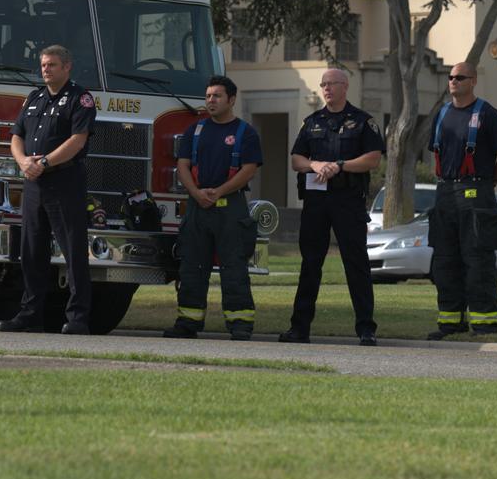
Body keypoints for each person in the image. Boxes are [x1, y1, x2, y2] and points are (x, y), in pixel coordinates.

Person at [280, 68, 383, 346]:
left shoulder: (362, 121)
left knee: (356, 263)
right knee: (310, 264)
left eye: (332, 84)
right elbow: (296, 159)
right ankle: (299, 328)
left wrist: (339, 166)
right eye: (323, 84)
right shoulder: (312, 122)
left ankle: (366, 328)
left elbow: (373, 159)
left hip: (348, 200)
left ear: (345, 86)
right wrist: (314, 164)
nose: (326, 88)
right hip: (316, 202)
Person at [0, 45, 97, 334]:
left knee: (73, 251)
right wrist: (23, 162)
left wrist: (43, 161)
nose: (45, 69)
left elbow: (78, 140)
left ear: (67, 67)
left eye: (52, 65)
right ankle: (30, 315)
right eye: (43, 64)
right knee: (31, 251)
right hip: (33, 184)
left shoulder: (81, 98)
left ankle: (78, 317)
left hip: (64, 182)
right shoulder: (34, 98)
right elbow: (16, 137)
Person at [163, 76, 262, 341]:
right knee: (191, 267)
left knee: (234, 268)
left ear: (231, 100)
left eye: (216, 96)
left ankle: (240, 323)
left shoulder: (246, 133)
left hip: (231, 209)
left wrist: (219, 191)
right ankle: (188, 322)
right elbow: (183, 165)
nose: (210, 101)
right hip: (198, 209)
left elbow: (249, 169)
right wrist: (196, 193)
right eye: (208, 96)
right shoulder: (195, 131)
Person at [426, 62, 497, 340]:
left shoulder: (488, 115)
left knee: (478, 262)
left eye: (460, 77)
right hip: (445, 194)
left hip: (476, 195)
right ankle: (450, 323)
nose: (454, 81)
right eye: (451, 77)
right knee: (444, 262)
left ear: (473, 81)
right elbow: (437, 155)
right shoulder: (441, 114)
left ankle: (485, 324)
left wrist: (488, 183)